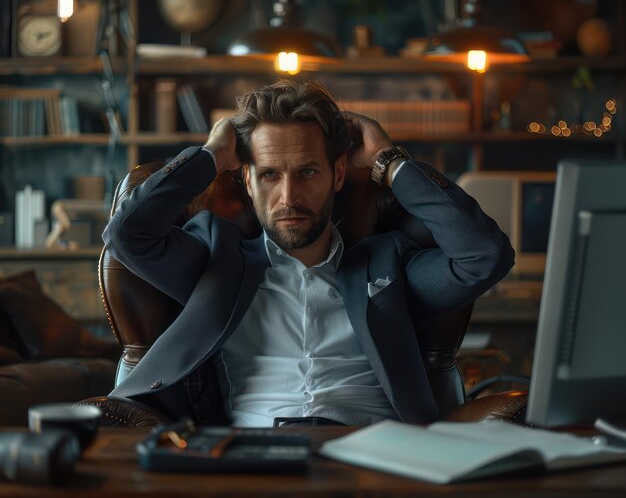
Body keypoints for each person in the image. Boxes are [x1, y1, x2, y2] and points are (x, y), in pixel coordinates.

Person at [104, 80, 514, 427]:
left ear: (337, 174)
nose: (288, 197)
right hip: (253, 457)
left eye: (308, 172)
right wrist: (209, 157)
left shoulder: (388, 265)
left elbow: (485, 256)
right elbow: (127, 235)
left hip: (372, 456)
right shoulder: (215, 259)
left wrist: (388, 160)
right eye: (269, 175)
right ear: (246, 181)